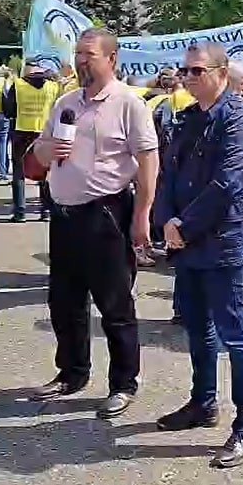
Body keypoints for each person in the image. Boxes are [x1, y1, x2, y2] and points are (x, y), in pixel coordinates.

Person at [29, 29, 158, 422]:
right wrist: (43, 150)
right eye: (78, 53)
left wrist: (142, 216)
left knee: (115, 305)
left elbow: (149, 164)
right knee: (64, 303)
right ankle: (72, 373)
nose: (81, 60)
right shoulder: (66, 102)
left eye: (90, 54)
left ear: (112, 59)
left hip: (106, 215)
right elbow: (40, 152)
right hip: (65, 215)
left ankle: (123, 383)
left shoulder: (129, 104)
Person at [155, 42, 243, 469]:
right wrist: (166, 220)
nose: (188, 78)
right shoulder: (188, 118)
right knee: (197, 328)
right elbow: (167, 173)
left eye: (196, 71)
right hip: (186, 240)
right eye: (185, 72)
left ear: (221, 73)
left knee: (234, 333)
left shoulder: (239, 119)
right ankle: (202, 403)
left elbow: (229, 183)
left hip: (219, 239)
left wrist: (184, 225)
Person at [3, 60, 59, 222]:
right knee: (45, 173)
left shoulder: (18, 85)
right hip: (44, 132)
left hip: (22, 131)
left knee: (19, 173)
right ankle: (46, 211)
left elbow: (8, 110)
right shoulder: (52, 86)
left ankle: (20, 212)